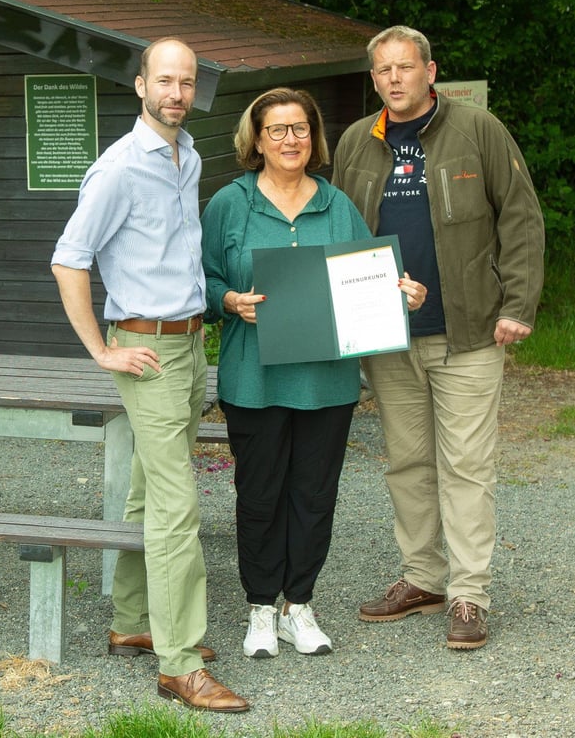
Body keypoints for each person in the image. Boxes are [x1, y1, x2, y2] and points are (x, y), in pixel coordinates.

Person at [51, 38, 249, 713]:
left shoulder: (185, 155)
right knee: (176, 507)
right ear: (140, 86)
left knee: (144, 489)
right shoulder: (117, 169)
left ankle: (134, 619)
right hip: (145, 351)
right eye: (164, 81)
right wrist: (101, 352)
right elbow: (68, 260)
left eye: (187, 82)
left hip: (191, 344)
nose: (176, 93)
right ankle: (180, 662)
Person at [332, 25, 545, 650]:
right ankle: (422, 577)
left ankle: (470, 595)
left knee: (467, 465)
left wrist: (517, 303)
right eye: (382, 70)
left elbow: (522, 217)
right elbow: (341, 233)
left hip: (470, 330)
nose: (394, 79)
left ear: (430, 71)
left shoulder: (478, 130)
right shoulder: (354, 142)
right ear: (373, 79)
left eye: (405, 67)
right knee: (406, 462)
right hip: (387, 335)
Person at [201, 87, 374, 659]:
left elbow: (366, 282)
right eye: (276, 130)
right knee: (259, 495)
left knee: (313, 495)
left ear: (313, 136)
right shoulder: (231, 204)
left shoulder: (337, 205)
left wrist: (401, 294)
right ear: (256, 139)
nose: (289, 140)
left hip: (326, 380)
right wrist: (227, 301)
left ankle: (298, 605)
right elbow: (199, 280)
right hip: (255, 379)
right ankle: (259, 609)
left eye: (299, 128)